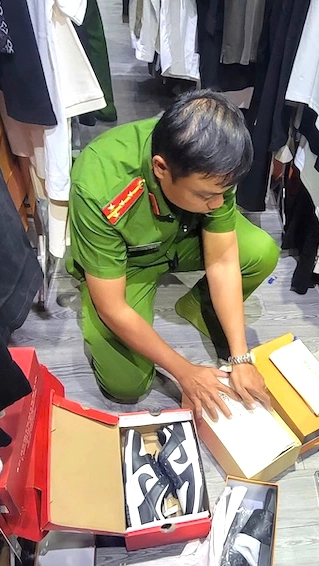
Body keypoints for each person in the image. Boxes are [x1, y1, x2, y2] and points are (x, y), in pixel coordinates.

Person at [67, 90, 280, 418]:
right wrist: (185, 371)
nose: (218, 204)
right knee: (126, 386)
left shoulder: (216, 163)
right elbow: (112, 306)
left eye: (223, 193)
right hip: (129, 263)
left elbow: (223, 260)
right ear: (161, 168)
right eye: (206, 195)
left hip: (185, 236)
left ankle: (198, 307)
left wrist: (240, 357)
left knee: (261, 252)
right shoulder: (99, 183)